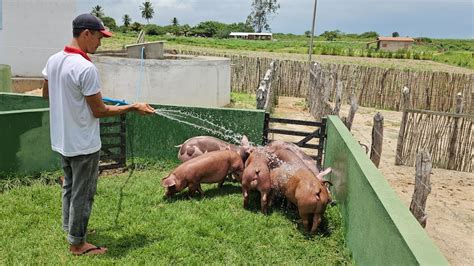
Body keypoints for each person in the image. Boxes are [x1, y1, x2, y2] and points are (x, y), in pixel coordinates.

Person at [42, 13, 155, 256]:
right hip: (83, 143)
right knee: (83, 192)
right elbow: (100, 110)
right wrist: (133, 107)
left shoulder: (53, 60)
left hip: (62, 139)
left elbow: (46, 94)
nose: (101, 43)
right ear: (86, 34)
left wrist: (71, 101)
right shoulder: (85, 67)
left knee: (70, 186)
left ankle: (71, 229)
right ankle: (77, 244)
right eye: (99, 37)